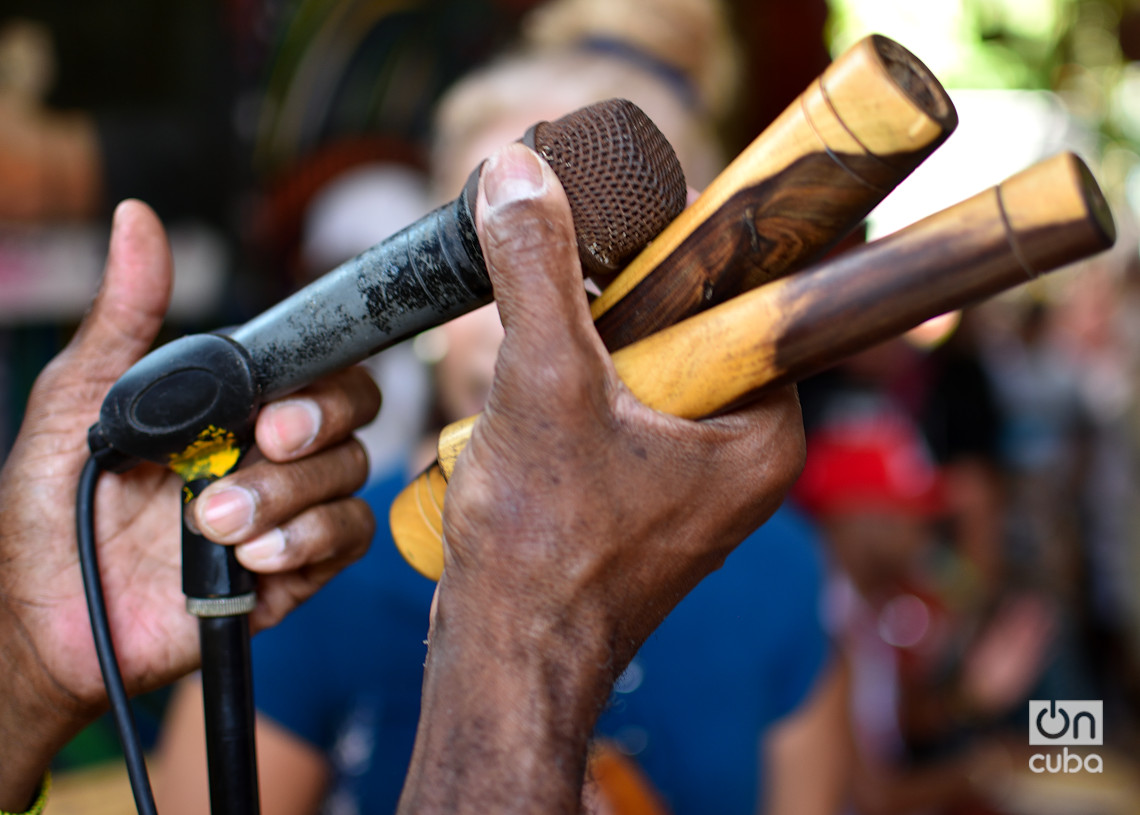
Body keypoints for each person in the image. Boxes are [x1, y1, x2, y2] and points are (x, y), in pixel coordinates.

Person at [0, 139, 804, 814]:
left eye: (615, 274)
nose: (556, 308)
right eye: (522, 245)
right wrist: (27, 670)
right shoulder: (333, 572)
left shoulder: (791, 571)